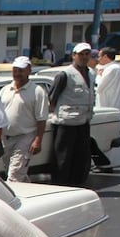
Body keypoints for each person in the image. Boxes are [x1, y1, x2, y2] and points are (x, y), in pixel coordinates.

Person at [48, 43, 96, 187]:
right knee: (63, 157)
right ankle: (61, 184)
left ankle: (78, 182)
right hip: (66, 122)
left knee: (81, 155)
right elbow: (52, 98)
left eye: (87, 54)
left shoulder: (91, 73)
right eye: (81, 54)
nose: (84, 57)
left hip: (83, 121)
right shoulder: (65, 75)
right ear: (74, 56)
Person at [0, 56, 49, 182]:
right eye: (15, 70)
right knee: (14, 172)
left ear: (29, 71)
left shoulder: (37, 91)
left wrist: (38, 140)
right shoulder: (5, 90)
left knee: (14, 175)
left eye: (21, 70)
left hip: (25, 137)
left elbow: (41, 118)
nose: (17, 74)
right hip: (6, 138)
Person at [94, 47, 120, 168]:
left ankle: (108, 163)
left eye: (99, 56)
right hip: (113, 106)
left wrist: (98, 75)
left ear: (106, 57)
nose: (98, 59)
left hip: (109, 106)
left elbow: (99, 87)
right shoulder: (116, 68)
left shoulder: (111, 69)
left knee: (108, 136)